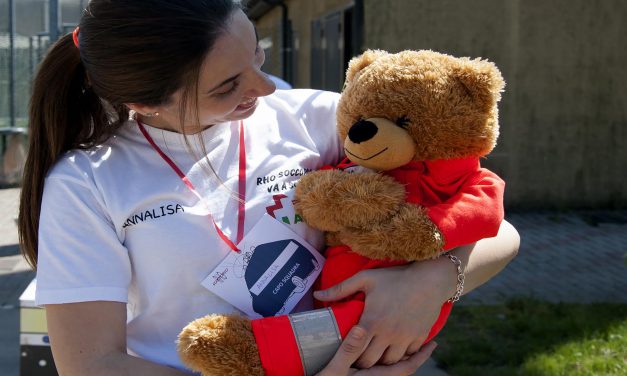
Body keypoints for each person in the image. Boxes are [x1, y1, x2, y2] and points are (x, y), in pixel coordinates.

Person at [18, 1, 519, 375]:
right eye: (227, 86)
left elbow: (500, 231)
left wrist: (428, 284)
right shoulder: (87, 183)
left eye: (257, 55)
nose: (264, 87)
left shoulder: (320, 119)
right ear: (144, 102)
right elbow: (91, 363)